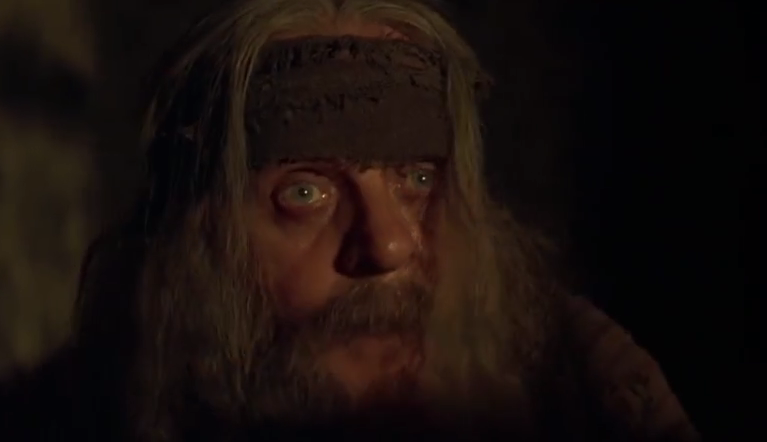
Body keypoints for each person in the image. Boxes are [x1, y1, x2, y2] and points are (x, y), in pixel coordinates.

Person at [0, 0, 700, 440]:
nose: (390, 243)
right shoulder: (59, 420)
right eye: (306, 193)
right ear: (193, 241)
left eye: (417, 180)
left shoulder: (590, 391)